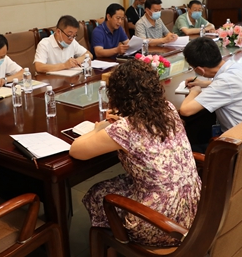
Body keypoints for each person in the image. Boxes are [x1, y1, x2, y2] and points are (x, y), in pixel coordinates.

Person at [69, 60, 201, 247]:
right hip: (194, 209)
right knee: (120, 183)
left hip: (162, 224)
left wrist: (99, 128)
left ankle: (114, 244)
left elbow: (76, 150)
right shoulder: (168, 109)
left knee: (97, 193)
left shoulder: (125, 128)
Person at [179, 37, 242, 133]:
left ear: (200, 70)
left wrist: (194, 91)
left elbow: (185, 110)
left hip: (241, 138)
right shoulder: (240, 67)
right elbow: (231, 86)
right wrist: (203, 83)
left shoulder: (224, 82)